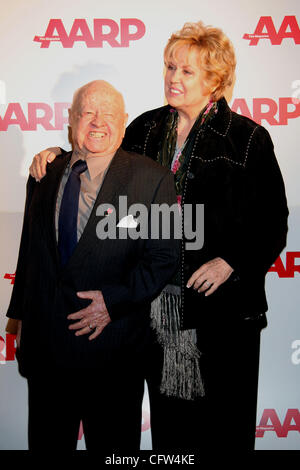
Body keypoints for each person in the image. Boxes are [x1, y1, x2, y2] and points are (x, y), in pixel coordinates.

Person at [28, 21, 289, 452]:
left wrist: (232, 261)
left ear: (215, 78)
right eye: (170, 67)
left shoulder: (247, 139)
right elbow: (99, 158)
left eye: (187, 71)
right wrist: (57, 155)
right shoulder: (146, 129)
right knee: (171, 438)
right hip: (152, 311)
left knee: (223, 429)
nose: (173, 77)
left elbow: (273, 222)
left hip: (220, 317)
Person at [6, 80, 179, 452]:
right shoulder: (44, 174)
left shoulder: (154, 179)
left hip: (113, 355)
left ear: (124, 121)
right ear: (70, 121)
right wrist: (20, 316)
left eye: (109, 114)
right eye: (88, 112)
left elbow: (165, 256)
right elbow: (30, 252)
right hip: (47, 354)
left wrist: (112, 303)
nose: (98, 121)